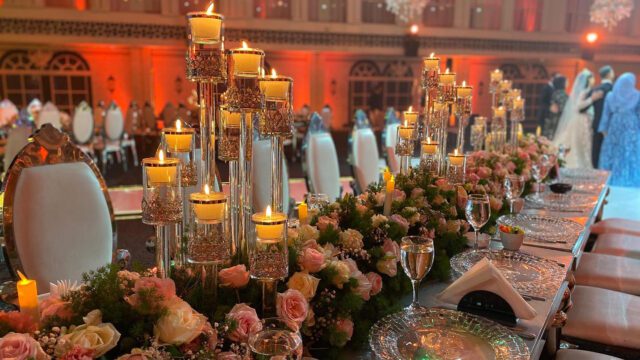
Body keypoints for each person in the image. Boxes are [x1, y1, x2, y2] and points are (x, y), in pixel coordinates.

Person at [552, 69, 603, 168]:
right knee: (578, 143)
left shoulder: (588, 90)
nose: (593, 80)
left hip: (585, 119)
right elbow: (578, 106)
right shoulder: (584, 92)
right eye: (591, 78)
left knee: (583, 143)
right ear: (588, 80)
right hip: (581, 120)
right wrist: (592, 99)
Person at [598, 73, 640, 187]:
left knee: (614, 151)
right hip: (631, 127)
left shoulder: (611, 95)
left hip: (615, 125)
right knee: (629, 151)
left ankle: (612, 177)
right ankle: (628, 177)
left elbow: (605, 115)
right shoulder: (637, 95)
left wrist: (604, 130)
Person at [591, 65, 615, 168]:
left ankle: (595, 168)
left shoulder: (596, 89)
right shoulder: (613, 89)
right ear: (609, 74)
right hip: (610, 124)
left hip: (596, 122)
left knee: (596, 148)